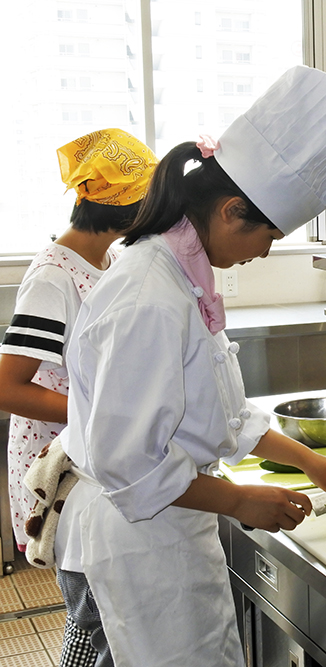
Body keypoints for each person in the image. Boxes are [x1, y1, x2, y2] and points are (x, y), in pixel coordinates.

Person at [54, 66, 326, 666]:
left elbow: (224, 416)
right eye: (270, 235)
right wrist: (238, 500)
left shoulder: (185, 279)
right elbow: (129, 463)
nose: (267, 251)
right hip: (142, 534)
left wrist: (309, 460)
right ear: (231, 212)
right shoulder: (148, 296)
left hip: (173, 524)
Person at [0, 128, 157, 666]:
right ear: (127, 208)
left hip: (90, 455)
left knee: (95, 611)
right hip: (59, 470)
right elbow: (6, 386)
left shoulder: (105, 262)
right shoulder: (53, 276)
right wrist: (98, 413)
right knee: (94, 615)